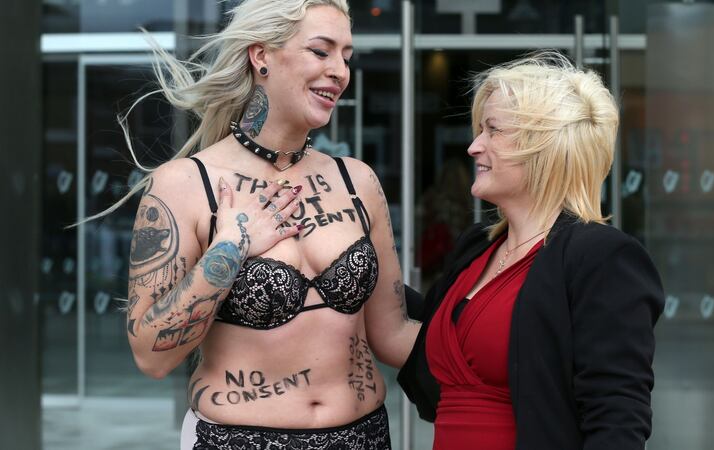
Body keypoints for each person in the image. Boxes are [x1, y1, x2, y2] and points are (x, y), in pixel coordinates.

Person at [118, 1, 419, 448]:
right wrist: (230, 248)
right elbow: (151, 357)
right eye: (321, 51)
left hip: (364, 434)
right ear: (261, 57)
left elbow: (393, 335)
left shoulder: (355, 180)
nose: (339, 70)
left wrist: (508, 329)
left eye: (347, 56)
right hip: (240, 439)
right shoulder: (186, 184)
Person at [397, 52, 665, 450]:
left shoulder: (602, 257)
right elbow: (431, 331)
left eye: (493, 130)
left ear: (544, 146)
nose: (474, 146)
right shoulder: (478, 247)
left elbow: (617, 418)